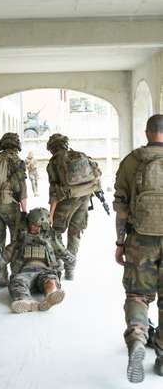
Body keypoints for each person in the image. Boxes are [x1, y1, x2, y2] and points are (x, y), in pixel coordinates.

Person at [113, 114, 163, 382]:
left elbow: (121, 208)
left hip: (140, 241)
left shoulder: (132, 161)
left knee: (137, 296)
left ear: (147, 133)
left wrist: (120, 242)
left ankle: (137, 339)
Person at [46, 133, 101, 280]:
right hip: (84, 199)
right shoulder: (80, 155)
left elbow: (54, 191)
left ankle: (58, 267)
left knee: (55, 233)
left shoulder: (54, 162)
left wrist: (50, 214)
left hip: (66, 201)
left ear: (52, 148)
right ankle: (70, 270)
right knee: (75, 233)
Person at [8, 207, 75, 313]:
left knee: (51, 281)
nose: (33, 227)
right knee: (17, 282)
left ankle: (50, 297)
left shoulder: (50, 238)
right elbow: (9, 252)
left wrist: (70, 264)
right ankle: (26, 302)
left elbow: (63, 253)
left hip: (45, 271)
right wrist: (0, 266)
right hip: (25, 271)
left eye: (36, 225)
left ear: (43, 226)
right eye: (31, 224)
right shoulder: (22, 236)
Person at [0, 133, 27, 287]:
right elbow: (22, 189)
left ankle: (0, 276)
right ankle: (16, 274)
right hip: (10, 206)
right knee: (16, 240)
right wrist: (24, 211)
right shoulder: (17, 161)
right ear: (17, 146)